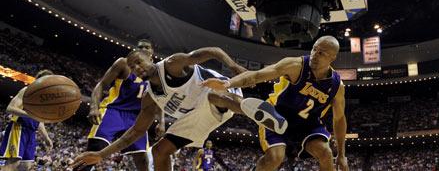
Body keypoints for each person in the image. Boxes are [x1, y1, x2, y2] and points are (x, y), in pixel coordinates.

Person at [71, 47, 286, 171]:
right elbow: (134, 133)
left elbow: (213, 51)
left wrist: (233, 68)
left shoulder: (173, 64)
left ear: (150, 58)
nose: (137, 68)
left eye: (139, 62)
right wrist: (100, 154)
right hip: (196, 115)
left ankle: (255, 112)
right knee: (159, 151)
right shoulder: (150, 99)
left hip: (221, 91)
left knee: (212, 95)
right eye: (133, 68)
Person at [202, 36, 349, 171]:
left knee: (326, 153)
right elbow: (256, 75)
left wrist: (342, 154)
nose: (314, 55)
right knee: (275, 157)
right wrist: (228, 83)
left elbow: (339, 119)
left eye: (321, 53)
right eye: (314, 49)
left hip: (308, 124)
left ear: (332, 58)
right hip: (276, 115)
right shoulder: (296, 66)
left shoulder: (337, 86)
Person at [78, 39, 155, 171]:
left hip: (137, 118)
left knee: (142, 161)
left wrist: (162, 122)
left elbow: (158, 99)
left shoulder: (156, 71)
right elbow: (102, 84)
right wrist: (94, 107)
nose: (143, 49)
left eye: (146, 47)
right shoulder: (123, 63)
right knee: (96, 148)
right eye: (140, 47)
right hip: (113, 111)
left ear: (152, 51)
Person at [0, 70, 54, 171]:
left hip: (31, 132)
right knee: (12, 164)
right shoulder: (27, 91)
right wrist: (29, 114)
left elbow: (39, 120)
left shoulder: (43, 100)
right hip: (19, 128)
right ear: (39, 81)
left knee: (26, 166)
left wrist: (46, 137)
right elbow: (10, 108)